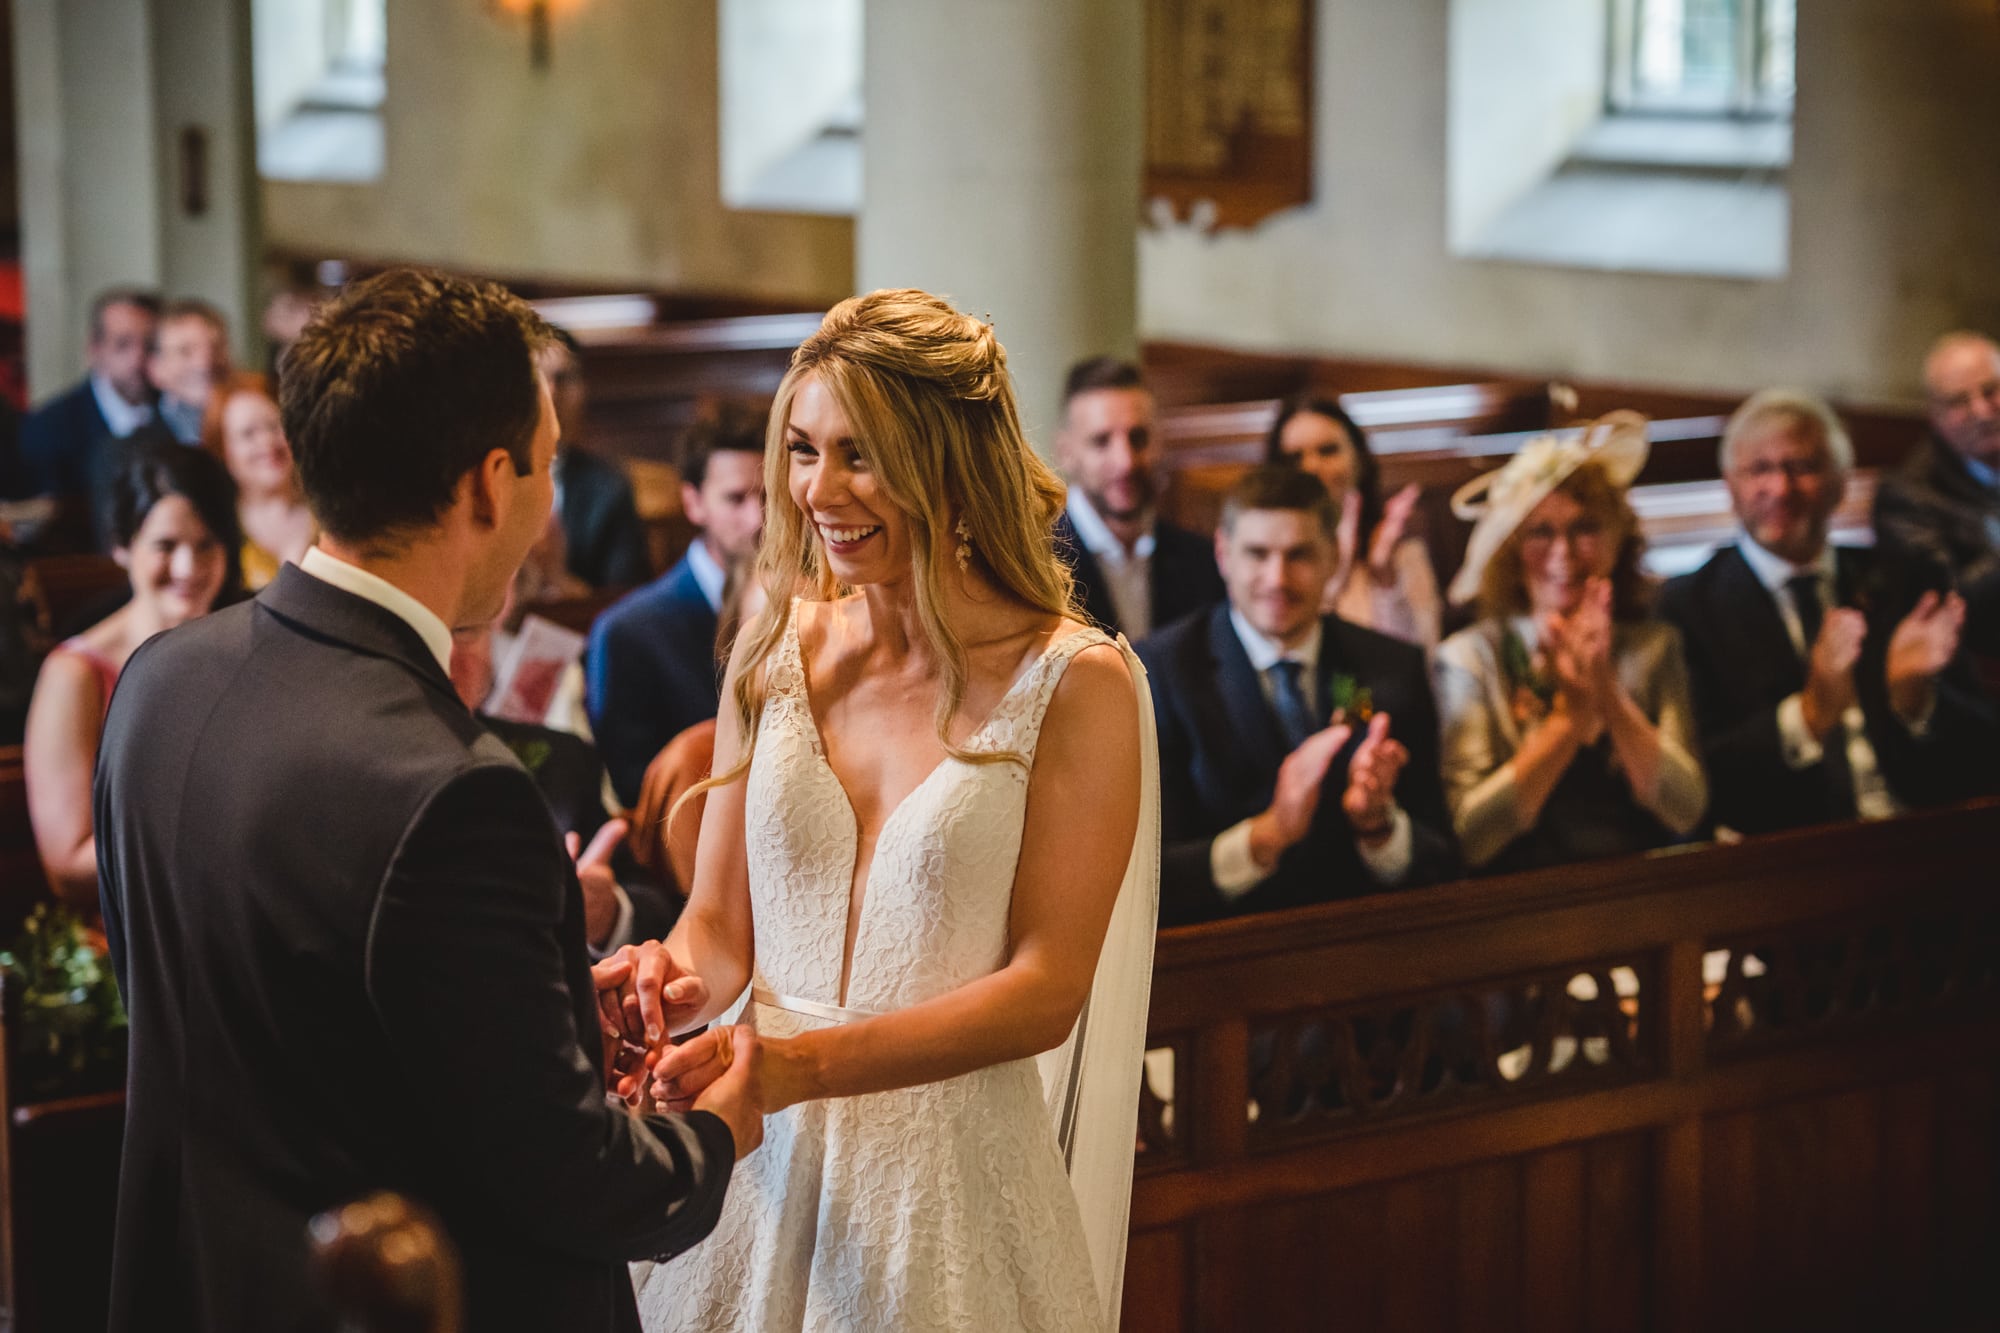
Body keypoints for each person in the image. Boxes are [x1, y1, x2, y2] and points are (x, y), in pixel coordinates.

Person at [93, 268, 758, 1333]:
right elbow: (582, 1183)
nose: (546, 501)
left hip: (197, 1283)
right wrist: (724, 1123)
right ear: (489, 484)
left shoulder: (160, 680)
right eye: (542, 464)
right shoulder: (456, 790)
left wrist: (533, 1008)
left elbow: (253, 1017)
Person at [631, 290, 1160, 1332]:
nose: (819, 490)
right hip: (757, 1161)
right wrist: (666, 986)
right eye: (801, 449)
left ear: (948, 461)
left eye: (860, 455)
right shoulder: (769, 647)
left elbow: (1044, 991)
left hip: (947, 1184)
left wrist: (796, 1064)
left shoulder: (1076, 682)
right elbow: (721, 928)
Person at [1659, 390, 1995, 835]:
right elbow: (1702, 782)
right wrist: (1810, 716)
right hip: (1785, 861)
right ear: (1730, 485)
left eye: (1802, 467)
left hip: (1922, 841)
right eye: (1760, 469)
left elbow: (1986, 747)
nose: (1780, 489)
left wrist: (1915, 698)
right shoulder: (1687, 605)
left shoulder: (1903, 581)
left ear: (1840, 481)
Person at [1139, 465, 1454, 927]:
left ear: (1333, 557)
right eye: (1257, 553)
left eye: (1299, 555)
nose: (1277, 579)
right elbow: (1146, 879)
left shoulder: (1391, 667)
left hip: (1365, 953)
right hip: (1222, 963)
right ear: (1223, 555)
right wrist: (1267, 836)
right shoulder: (1160, 672)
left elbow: (1443, 860)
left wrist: (1380, 828)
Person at [1433, 413, 1707, 872]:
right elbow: (1473, 836)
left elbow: (1686, 809)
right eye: (1540, 531)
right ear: (1511, 549)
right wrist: (1568, 720)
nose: (1563, 552)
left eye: (1585, 528)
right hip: (1518, 908)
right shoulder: (1470, 657)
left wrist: (1608, 694)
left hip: (1645, 892)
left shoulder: (1656, 646)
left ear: (1617, 538)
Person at [24, 443, 238, 910]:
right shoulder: (74, 675)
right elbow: (68, 865)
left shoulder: (248, 652)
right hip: (130, 935)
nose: (189, 568)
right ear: (122, 545)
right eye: (166, 545)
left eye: (207, 544)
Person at [450, 615, 681, 950]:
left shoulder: (562, 759)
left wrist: (608, 913)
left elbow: (654, 908)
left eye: (462, 630)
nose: (445, 654)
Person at [587, 401, 767, 806]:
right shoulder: (629, 631)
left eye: (769, 497)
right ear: (693, 502)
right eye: (736, 499)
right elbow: (636, 788)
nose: (758, 519)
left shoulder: (819, 605)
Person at [1052, 355, 1223, 637]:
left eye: (1139, 438)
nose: (1126, 462)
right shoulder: (1039, 564)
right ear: (1066, 452)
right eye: (1101, 441)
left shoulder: (1201, 562)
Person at [1265, 394, 1441, 647]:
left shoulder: (1404, 556)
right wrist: (1332, 581)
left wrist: (1386, 582)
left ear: (1359, 460)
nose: (1311, 467)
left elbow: (1421, 668)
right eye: (1294, 458)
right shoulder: (1270, 566)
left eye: (1327, 451)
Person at [1873, 331, 2000, 660]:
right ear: (1935, 416)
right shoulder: (1906, 496)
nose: (1983, 411)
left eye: (1992, 391)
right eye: (1959, 401)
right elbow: (1947, 607)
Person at [13, 289, 161, 504]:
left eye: (149, 346)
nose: (138, 358)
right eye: (122, 344)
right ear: (94, 349)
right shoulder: (50, 428)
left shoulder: (174, 410)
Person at [542, 328, 654, 588]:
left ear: (583, 389)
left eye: (563, 378)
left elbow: (624, 595)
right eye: (537, 378)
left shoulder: (609, 485)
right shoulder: (494, 477)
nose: (551, 393)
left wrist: (558, 581)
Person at [201, 371, 315, 588]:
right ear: (223, 452)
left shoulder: (329, 511)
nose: (267, 441)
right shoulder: (220, 533)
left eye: (274, 426)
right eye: (248, 434)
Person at [148, 298, 231, 445]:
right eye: (185, 351)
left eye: (215, 348)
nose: (204, 363)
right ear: (156, 368)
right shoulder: (140, 450)